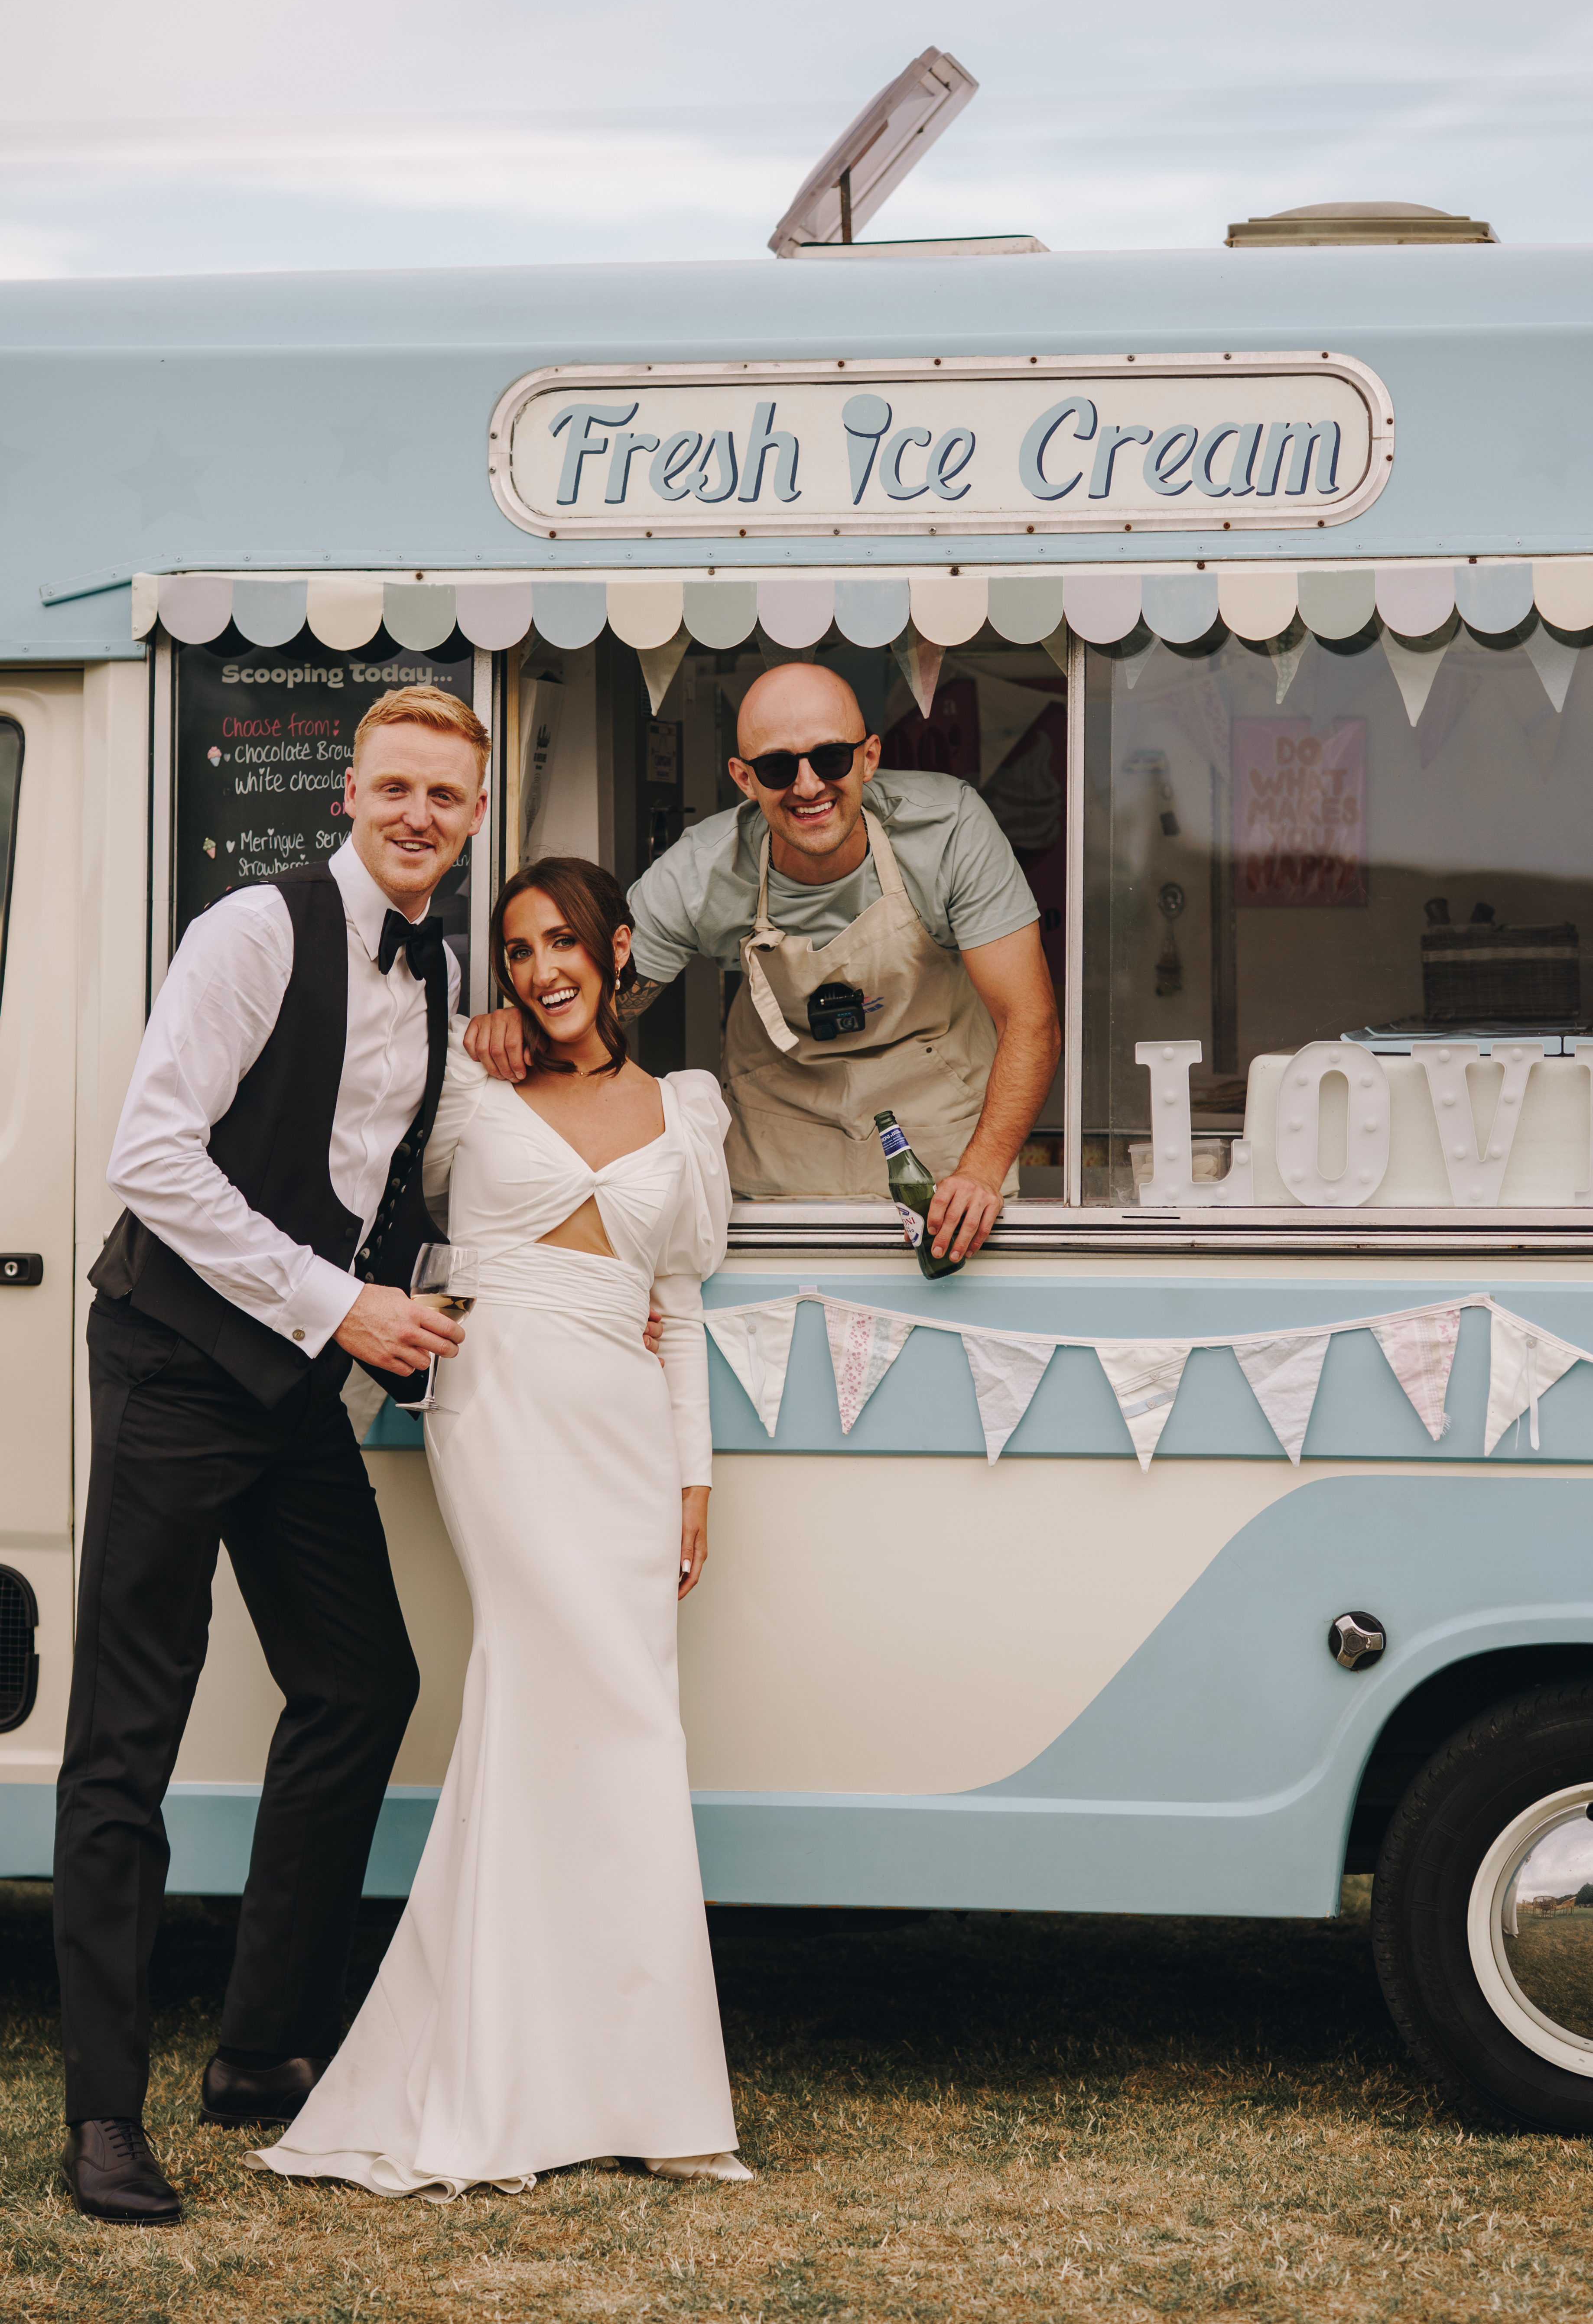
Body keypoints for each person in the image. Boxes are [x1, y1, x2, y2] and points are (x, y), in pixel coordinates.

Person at [53, 685, 662, 2227]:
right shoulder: (250, 933)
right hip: (178, 1364)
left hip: (290, 1385)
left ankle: (258, 2048)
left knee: (363, 1680)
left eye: (445, 801)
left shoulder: (448, 965)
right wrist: (344, 1310)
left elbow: (391, 1161)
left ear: (468, 823)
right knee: (129, 1730)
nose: (417, 817)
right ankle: (104, 2120)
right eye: (395, 788)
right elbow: (150, 1156)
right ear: (349, 791)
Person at [251, 856, 748, 2198]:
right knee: (540, 1685)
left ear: (617, 951)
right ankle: (490, 2071)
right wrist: (460, 1053)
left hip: (628, 1429)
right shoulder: (471, 1085)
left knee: (632, 1723)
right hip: (498, 1406)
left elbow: (682, 1306)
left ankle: (639, 2085)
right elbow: (383, 1193)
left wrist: (695, 1479)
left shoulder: (683, 1111)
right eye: (520, 950)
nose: (542, 970)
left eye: (562, 943)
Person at [468, 661, 1062, 1265]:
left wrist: (983, 1171)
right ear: (744, 778)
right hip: (780, 1159)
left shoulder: (949, 829)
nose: (808, 786)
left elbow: (1030, 1018)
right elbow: (596, 993)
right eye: (779, 767)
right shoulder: (700, 872)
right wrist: (529, 1020)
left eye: (830, 758)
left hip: (941, 1154)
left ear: (869, 756)